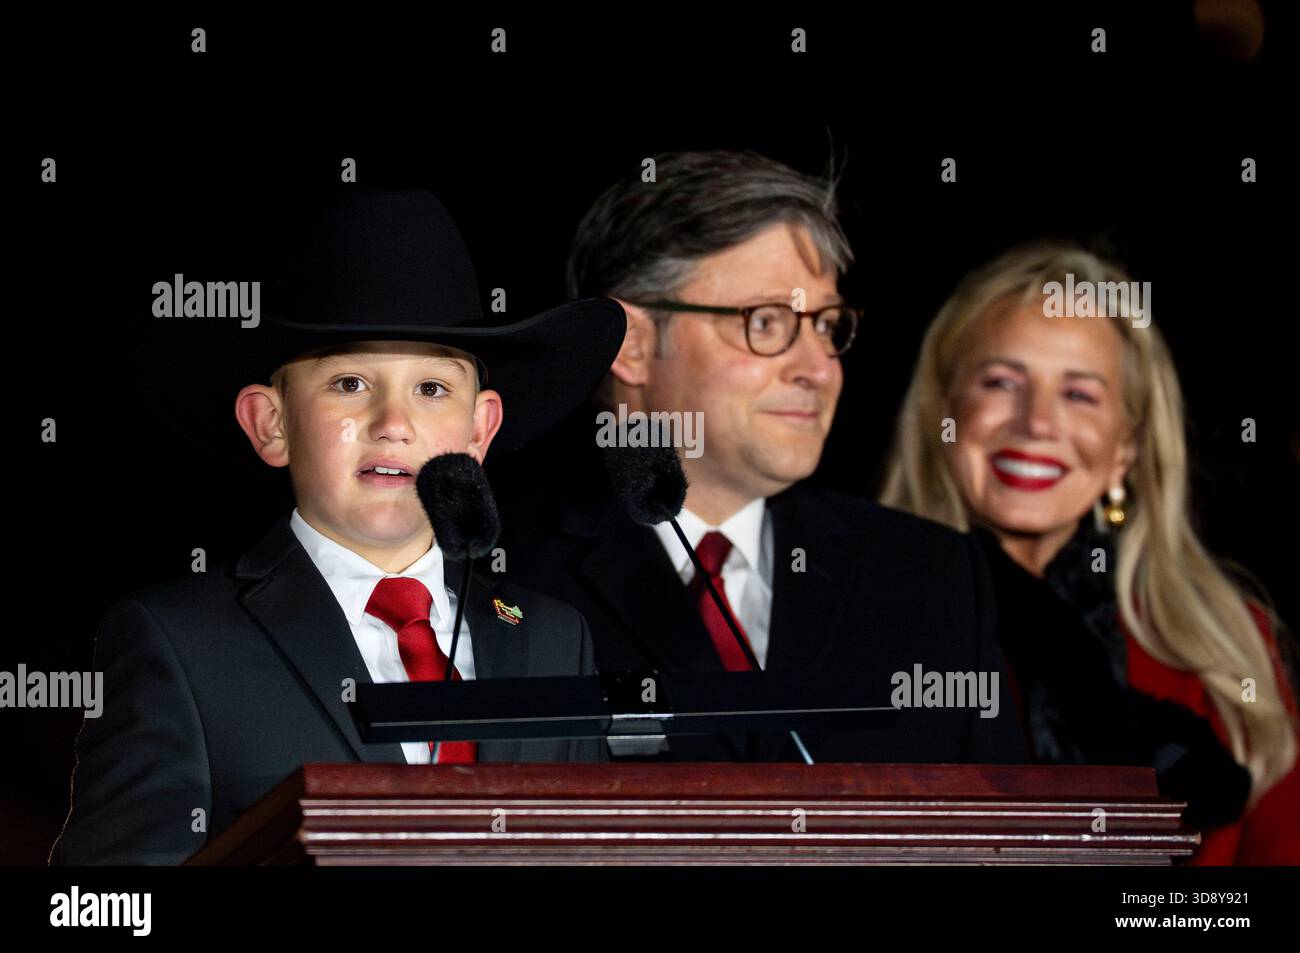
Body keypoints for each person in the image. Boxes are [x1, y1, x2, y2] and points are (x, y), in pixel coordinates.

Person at [49, 188, 626, 864]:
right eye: (350, 383)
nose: (392, 423)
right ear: (272, 424)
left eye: (432, 389)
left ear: (479, 429)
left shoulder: (556, 638)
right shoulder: (177, 644)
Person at [496, 150, 1027, 764]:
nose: (818, 368)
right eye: (767, 322)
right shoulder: (493, 571)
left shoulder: (931, 577)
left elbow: (999, 843)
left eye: (827, 326)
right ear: (632, 345)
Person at [879, 239, 1300, 863]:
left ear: (1125, 448)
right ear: (943, 415)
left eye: (1079, 394)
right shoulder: (860, 615)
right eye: (1001, 382)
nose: (1037, 423)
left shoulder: (1219, 640)